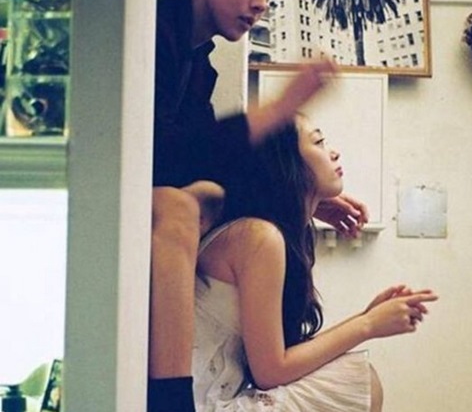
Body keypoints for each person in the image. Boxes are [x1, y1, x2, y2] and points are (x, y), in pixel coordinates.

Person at [149, 0, 368, 411]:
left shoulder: (198, 65)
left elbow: (200, 161)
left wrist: (305, 197)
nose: (261, 2)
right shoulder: (149, 29)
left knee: (206, 194)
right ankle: (169, 399)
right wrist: (280, 108)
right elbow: (168, 152)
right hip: (102, 188)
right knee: (183, 204)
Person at [185, 114, 438, 411]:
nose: (334, 152)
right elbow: (271, 372)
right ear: (285, 163)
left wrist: (368, 316)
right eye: (318, 142)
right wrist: (367, 324)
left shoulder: (266, 234)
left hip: (212, 396)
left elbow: (275, 363)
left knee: (358, 379)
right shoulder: (258, 237)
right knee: (360, 382)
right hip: (199, 404)